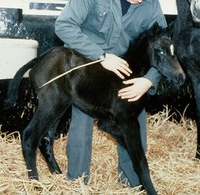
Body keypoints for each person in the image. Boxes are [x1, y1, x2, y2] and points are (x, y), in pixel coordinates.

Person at [54, 0, 167, 187]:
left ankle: (133, 183)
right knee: (82, 122)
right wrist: (101, 56)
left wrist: (148, 80)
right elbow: (64, 25)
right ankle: (77, 183)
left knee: (134, 122)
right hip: (88, 63)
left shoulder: (152, 5)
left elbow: (164, 43)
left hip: (124, 70)